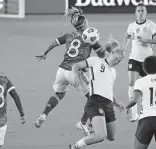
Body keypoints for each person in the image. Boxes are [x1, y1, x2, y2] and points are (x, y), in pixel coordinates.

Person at [34, 7, 105, 136]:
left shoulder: (69, 35)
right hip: (75, 71)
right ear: (83, 23)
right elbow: (102, 55)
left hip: (61, 70)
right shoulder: (90, 37)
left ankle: (44, 114)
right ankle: (83, 123)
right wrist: (106, 50)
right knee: (93, 98)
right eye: (85, 20)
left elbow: (55, 42)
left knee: (59, 94)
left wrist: (45, 53)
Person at [69, 38, 124, 149]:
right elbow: (76, 66)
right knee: (101, 136)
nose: (116, 62)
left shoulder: (113, 72)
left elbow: (107, 89)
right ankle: (75, 146)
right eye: (116, 58)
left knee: (111, 136)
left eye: (119, 61)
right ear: (110, 53)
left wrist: (116, 102)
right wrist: (76, 79)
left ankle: (92, 125)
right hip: (95, 101)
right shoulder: (96, 61)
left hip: (108, 103)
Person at [123, 2, 156, 122]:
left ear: (146, 13)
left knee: (149, 86)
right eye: (138, 11)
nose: (140, 13)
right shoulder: (131, 26)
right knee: (131, 83)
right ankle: (134, 113)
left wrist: (146, 40)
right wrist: (124, 48)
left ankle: (147, 110)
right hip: (134, 58)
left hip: (147, 60)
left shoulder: (151, 25)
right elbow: (127, 36)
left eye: (142, 11)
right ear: (135, 13)